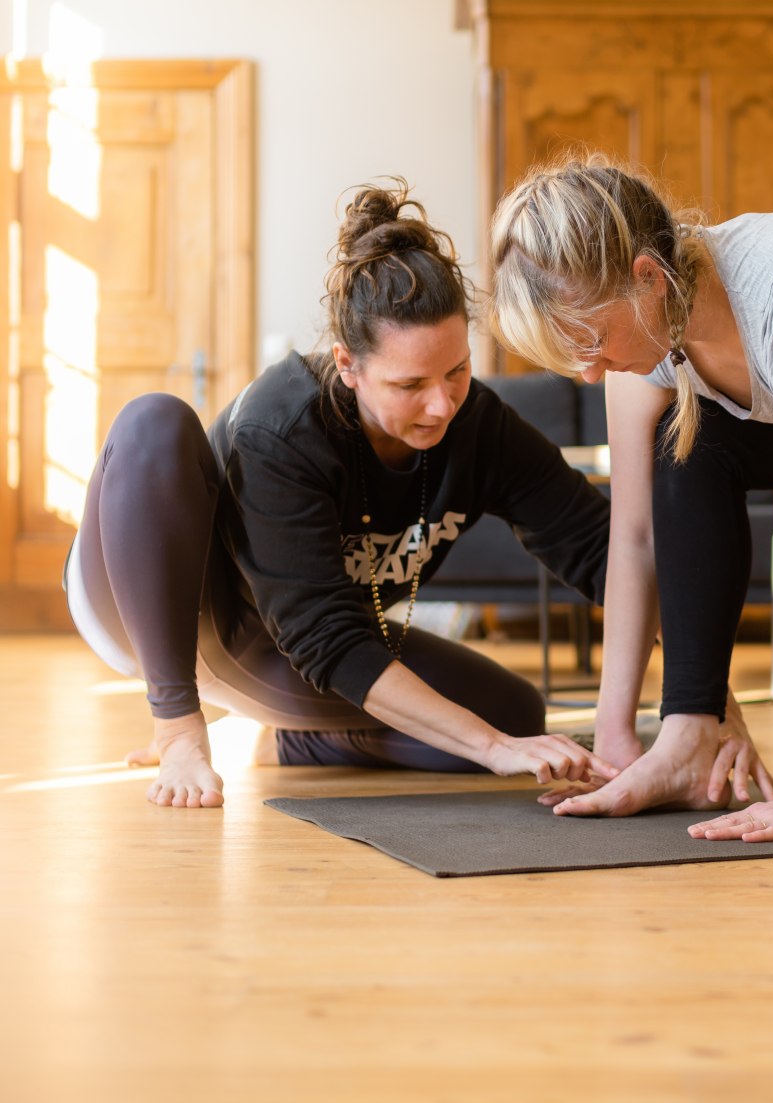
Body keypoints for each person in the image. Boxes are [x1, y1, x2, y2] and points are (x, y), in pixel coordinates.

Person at [66, 179, 644, 808]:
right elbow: (328, 637)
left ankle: (281, 741)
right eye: (409, 383)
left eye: (456, 370)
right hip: (165, 613)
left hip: (278, 650)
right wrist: (490, 749)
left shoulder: (478, 425)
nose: (440, 403)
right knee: (155, 421)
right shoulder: (282, 426)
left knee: (513, 711)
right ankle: (177, 728)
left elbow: (603, 550)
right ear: (347, 365)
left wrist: (703, 702)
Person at [489, 155, 773, 843]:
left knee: (702, 434)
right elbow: (635, 538)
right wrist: (616, 735)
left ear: (647, 276)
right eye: (567, 353)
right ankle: (684, 738)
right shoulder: (646, 327)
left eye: (588, 339)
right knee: (686, 439)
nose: (588, 372)